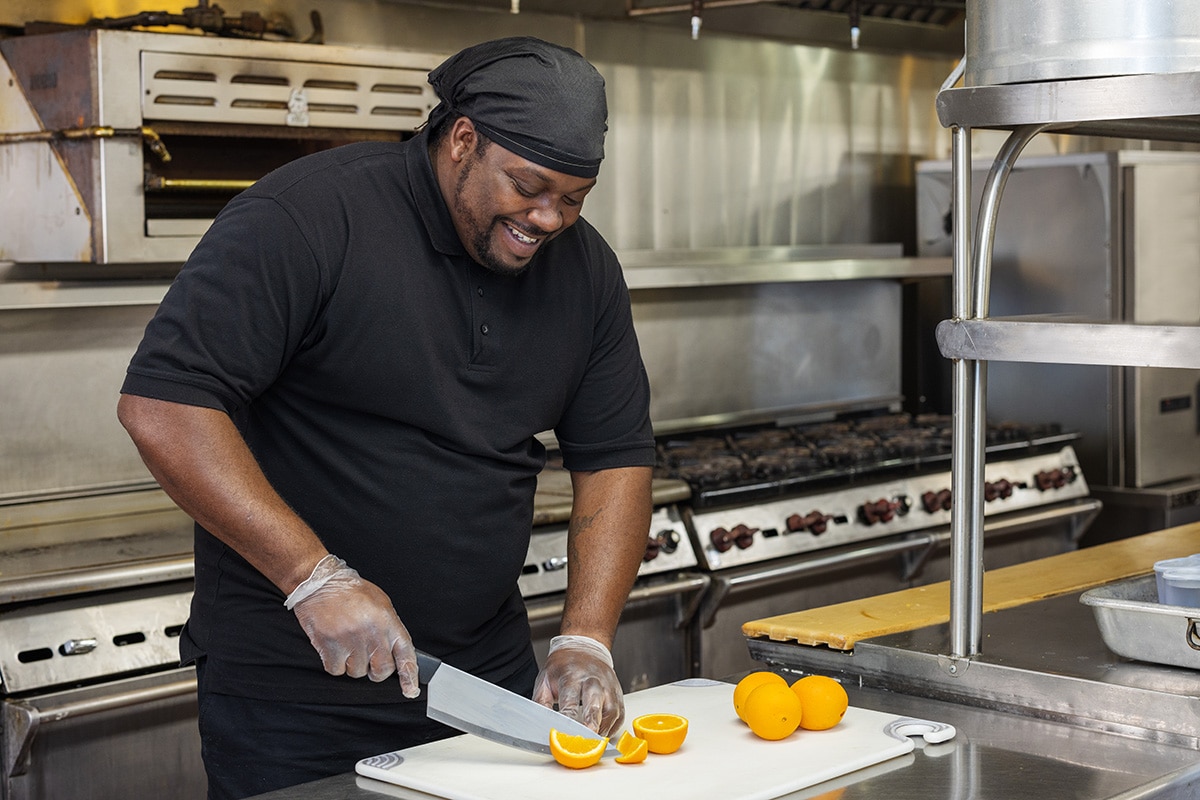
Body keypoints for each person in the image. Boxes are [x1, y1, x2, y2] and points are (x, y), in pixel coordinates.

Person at [117, 36, 654, 800]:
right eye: (529, 186)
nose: (550, 218)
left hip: (485, 690)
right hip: (294, 698)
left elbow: (615, 455)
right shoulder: (307, 217)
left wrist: (585, 637)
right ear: (462, 139)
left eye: (573, 197)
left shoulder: (587, 271)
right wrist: (314, 578)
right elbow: (165, 404)